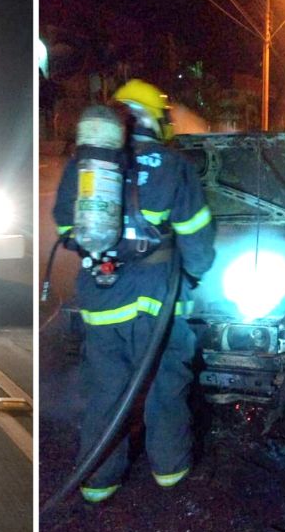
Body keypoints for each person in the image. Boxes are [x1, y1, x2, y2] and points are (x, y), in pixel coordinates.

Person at [53, 79, 216, 504]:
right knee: (166, 386)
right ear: (153, 120)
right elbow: (197, 238)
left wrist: (108, 250)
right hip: (159, 302)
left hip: (102, 300)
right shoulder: (173, 166)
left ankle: (97, 482)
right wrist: (196, 274)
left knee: (106, 390)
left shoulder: (86, 166)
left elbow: (67, 229)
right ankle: (170, 473)